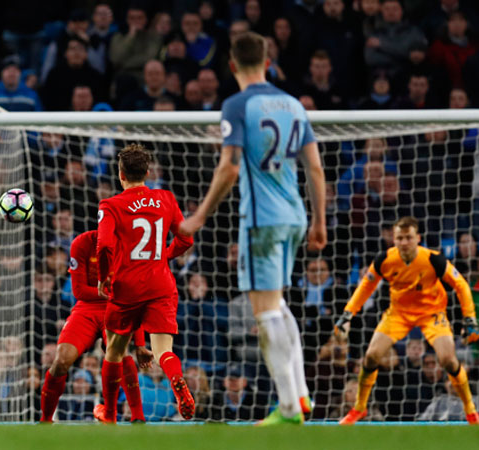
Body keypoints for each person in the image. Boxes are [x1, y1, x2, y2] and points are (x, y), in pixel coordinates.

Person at [179, 31, 327, 426]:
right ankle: (301, 396)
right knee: (277, 304)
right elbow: (314, 167)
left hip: (262, 219)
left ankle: (289, 408)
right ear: (267, 62)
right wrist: (320, 221)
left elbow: (228, 166)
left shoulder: (237, 104)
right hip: (295, 215)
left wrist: (199, 216)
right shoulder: (294, 104)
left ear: (231, 65)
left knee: (264, 314)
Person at [334, 216, 479, 425]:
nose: (404, 242)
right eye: (399, 238)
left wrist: (470, 318)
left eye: (408, 237)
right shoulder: (384, 259)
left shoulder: (433, 259)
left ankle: (470, 410)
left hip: (431, 314)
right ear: (394, 239)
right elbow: (366, 287)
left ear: (417, 238)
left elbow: (461, 285)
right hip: (398, 314)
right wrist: (347, 315)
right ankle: (359, 408)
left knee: (448, 360)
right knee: (371, 357)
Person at [93, 143, 194, 423]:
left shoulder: (111, 205)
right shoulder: (166, 198)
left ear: (121, 174)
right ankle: (177, 383)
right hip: (161, 285)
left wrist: (103, 277)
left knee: (113, 351)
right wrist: (164, 256)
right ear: (147, 172)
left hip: (127, 288)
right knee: (164, 351)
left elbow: (103, 246)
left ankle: (110, 415)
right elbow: (187, 239)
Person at [40, 229, 152, 423]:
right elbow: (79, 291)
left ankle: (137, 417)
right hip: (87, 309)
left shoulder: (130, 249)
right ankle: (46, 419)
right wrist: (112, 294)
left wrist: (140, 344)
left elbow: (135, 300)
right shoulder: (81, 244)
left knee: (122, 354)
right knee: (62, 359)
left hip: (118, 309)